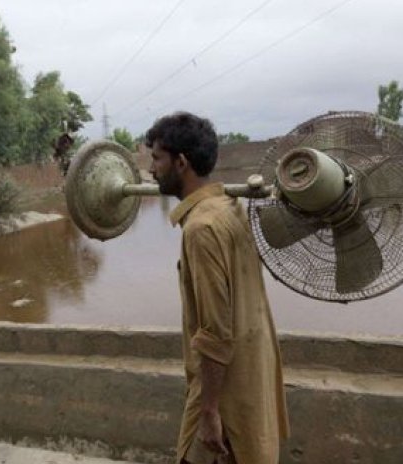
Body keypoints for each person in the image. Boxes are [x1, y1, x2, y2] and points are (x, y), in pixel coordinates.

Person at [145, 112, 289, 464]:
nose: (151, 169)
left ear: (181, 163)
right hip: (249, 378)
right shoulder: (229, 207)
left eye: (156, 159)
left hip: (225, 396)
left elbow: (216, 333)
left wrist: (209, 411)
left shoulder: (202, 229)